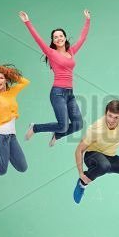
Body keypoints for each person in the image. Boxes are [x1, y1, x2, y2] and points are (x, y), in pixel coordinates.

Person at [19, 9, 90, 146]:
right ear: (53, 40)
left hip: (70, 94)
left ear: (65, 37)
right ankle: (35, 128)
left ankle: (57, 135)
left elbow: (83, 38)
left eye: (61, 35)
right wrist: (27, 22)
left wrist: (87, 20)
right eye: (55, 37)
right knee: (63, 125)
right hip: (58, 93)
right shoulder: (51, 53)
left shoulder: (71, 52)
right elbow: (37, 39)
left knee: (78, 124)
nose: (58, 38)